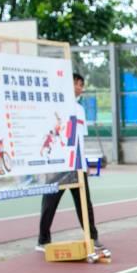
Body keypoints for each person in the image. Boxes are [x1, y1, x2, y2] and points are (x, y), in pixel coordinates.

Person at [36, 73, 103, 251]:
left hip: (77, 164)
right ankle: (43, 240)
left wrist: (85, 163)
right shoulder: (55, 107)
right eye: (76, 84)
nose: (79, 87)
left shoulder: (80, 110)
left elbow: (80, 138)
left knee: (84, 202)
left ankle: (92, 237)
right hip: (59, 163)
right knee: (50, 202)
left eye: (81, 84)